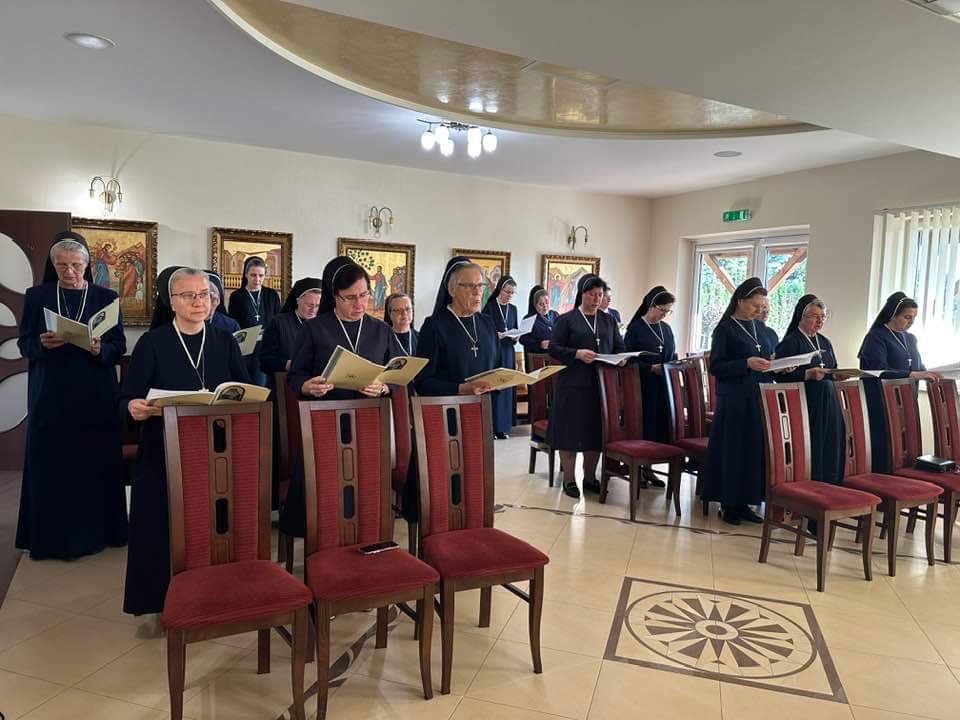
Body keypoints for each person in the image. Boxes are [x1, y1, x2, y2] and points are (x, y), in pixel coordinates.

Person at [121, 267, 248, 625]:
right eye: (189, 295)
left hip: (216, 451)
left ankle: (216, 593)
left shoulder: (225, 341)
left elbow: (243, 390)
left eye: (204, 295)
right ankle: (162, 598)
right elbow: (127, 398)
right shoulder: (152, 343)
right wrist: (133, 407)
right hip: (164, 451)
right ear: (171, 301)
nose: (198, 302)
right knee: (163, 525)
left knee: (212, 525)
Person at [16, 231, 128, 560]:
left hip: (96, 394)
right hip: (51, 394)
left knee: (94, 462)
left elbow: (118, 346)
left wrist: (99, 348)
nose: (69, 272)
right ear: (53, 265)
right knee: (53, 464)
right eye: (62, 265)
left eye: (76, 265)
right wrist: (41, 343)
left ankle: (100, 532)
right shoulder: (38, 296)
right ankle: (51, 538)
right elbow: (25, 343)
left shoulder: (106, 297)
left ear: (87, 264)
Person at [549, 274, 626, 499]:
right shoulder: (567, 320)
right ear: (582, 294)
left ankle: (590, 478)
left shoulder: (608, 321)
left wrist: (622, 359)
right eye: (592, 295)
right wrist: (576, 353)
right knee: (570, 433)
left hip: (601, 387)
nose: (596, 299)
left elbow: (620, 347)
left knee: (595, 433)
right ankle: (569, 479)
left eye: (600, 295)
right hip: (572, 385)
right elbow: (553, 348)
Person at [703, 277, 772, 525]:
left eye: (762, 306)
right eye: (754, 305)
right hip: (733, 399)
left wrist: (778, 365)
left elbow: (768, 359)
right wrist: (745, 363)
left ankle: (746, 503)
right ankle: (728, 504)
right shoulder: (725, 329)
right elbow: (716, 366)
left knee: (752, 451)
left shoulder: (761, 329)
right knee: (733, 451)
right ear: (740, 301)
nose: (758, 310)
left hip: (758, 397)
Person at [287, 257, 395, 401]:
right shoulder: (312, 329)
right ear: (336, 296)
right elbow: (295, 376)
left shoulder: (382, 330)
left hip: (370, 410)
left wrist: (384, 387)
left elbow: (396, 374)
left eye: (364, 295)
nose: (359, 304)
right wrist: (306, 386)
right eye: (350, 297)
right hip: (326, 408)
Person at [858, 292, 940, 473]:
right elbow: (877, 370)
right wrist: (912, 374)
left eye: (914, 318)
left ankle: (903, 479)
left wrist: (931, 373)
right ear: (893, 315)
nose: (911, 322)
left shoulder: (910, 338)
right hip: (881, 403)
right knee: (884, 448)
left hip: (906, 402)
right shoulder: (876, 337)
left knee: (905, 449)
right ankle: (881, 481)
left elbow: (918, 366)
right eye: (907, 317)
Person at [775, 296, 845, 487]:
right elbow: (779, 377)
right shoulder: (790, 342)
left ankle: (831, 483)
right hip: (805, 405)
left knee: (831, 443)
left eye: (823, 317)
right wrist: (807, 374)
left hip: (828, 404)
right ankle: (814, 485)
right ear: (802, 316)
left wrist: (837, 375)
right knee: (815, 446)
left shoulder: (825, 342)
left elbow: (832, 367)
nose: (820, 321)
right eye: (815, 316)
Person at [414, 257, 499, 397]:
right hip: (449, 408)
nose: (477, 292)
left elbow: (498, 370)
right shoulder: (434, 326)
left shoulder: (488, 323)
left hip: (486, 407)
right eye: (469, 286)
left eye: (480, 285)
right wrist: (461, 389)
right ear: (452, 290)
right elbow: (422, 383)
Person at [624, 286, 678, 488]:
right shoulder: (635, 329)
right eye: (662, 310)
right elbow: (628, 360)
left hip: (664, 387)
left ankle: (650, 469)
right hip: (642, 387)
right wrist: (649, 368)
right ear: (652, 306)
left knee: (658, 427)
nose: (664, 315)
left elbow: (672, 354)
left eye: (668, 311)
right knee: (644, 426)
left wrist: (674, 365)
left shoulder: (667, 329)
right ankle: (638, 470)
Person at [227, 256, 281, 386]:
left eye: (261, 275)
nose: (257, 279)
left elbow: (278, 321)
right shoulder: (237, 296)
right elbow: (234, 324)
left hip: (267, 347)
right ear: (246, 274)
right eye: (253, 275)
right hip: (246, 348)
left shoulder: (272, 295)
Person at [259, 277, 322, 374]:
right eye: (309, 305)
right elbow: (265, 361)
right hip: (286, 380)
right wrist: (288, 364)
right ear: (298, 301)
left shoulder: (323, 324)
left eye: (317, 305)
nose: (313, 310)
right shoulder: (278, 322)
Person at [483, 275, 520, 439]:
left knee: (506, 389)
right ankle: (492, 428)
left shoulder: (513, 309)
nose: (509, 295)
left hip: (508, 352)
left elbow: (516, 328)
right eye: (507, 292)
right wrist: (494, 335)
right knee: (496, 388)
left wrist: (516, 337)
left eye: (512, 293)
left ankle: (503, 428)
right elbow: (483, 330)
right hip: (494, 353)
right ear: (500, 289)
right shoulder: (490, 307)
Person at [520, 286, 558, 364]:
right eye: (541, 304)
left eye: (547, 303)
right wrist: (540, 344)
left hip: (555, 356)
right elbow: (522, 339)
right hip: (537, 359)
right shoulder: (529, 318)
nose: (545, 307)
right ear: (535, 305)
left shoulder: (555, 314)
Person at [384, 292, 418, 356]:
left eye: (408, 309)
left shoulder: (421, 338)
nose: (404, 313)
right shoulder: (382, 339)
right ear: (390, 314)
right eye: (398, 310)